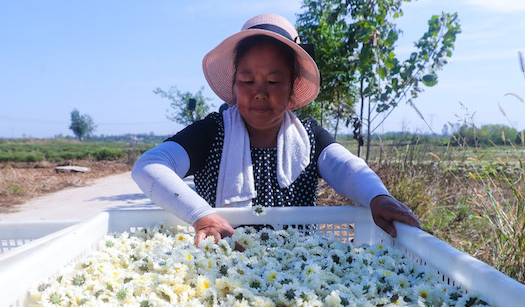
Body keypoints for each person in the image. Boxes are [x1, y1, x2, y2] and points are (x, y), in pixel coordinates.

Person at [132, 13, 422, 246]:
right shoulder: (211, 133)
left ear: (292, 85)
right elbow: (148, 166)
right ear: (234, 83)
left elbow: (348, 169)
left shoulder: (309, 138)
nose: (259, 93)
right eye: (247, 80)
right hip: (221, 272)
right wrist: (202, 216)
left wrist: (378, 197)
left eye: (273, 81)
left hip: (297, 275)